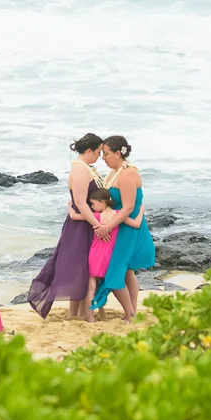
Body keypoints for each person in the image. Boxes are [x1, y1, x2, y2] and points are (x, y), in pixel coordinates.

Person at [26, 133, 103, 319]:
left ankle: (78, 312)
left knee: (83, 268)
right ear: (89, 150)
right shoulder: (80, 170)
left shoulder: (86, 168)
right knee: (78, 267)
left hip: (84, 222)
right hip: (81, 226)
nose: (100, 156)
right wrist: (97, 225)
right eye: (98, 152)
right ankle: (76, 313)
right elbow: (81, 202)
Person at [89, 135, 156, 320]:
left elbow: (127, 207)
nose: (103, 157)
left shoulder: (128, 173)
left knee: (115, 272)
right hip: (119, 225)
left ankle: (130, 313)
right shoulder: (115, 172)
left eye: (106, 153)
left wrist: (106, 228)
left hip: (126, 228)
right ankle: (131, 311)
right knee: (127, 271)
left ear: (118, 153)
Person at [78, 185, 117, 321]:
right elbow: (135, 223)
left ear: (102, 202)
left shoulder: (96, 216)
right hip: (110, 256)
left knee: (91, 287)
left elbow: (74, 216)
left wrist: (70, 208)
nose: (91, 207)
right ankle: (101, 310)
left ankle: (90, 318)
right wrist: (141, 211)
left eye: (93, 203)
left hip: (95, 255)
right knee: (102, 286)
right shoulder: (117, 215)